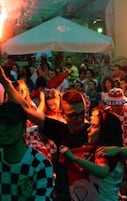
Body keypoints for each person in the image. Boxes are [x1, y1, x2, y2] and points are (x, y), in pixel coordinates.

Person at [0, 65, 89, 201]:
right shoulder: (61, 129)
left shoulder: (94, 130)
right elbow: (26, 109)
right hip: (64, 195)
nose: (78, 119)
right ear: (63, 115)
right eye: (72, 115)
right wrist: (5, 81)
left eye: (82, 114)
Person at [60, 106, 127, 201]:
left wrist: (75, 159)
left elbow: (102, 171)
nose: (88, 129)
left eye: (94, 126)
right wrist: (119, 149)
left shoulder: (104, 152)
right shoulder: (114, 151)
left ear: (106, 131)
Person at [0, 102, 54, 200]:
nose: (2, 128)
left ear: (24, 129)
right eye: (0, 123)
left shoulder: (40, 165)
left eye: (11, 123)